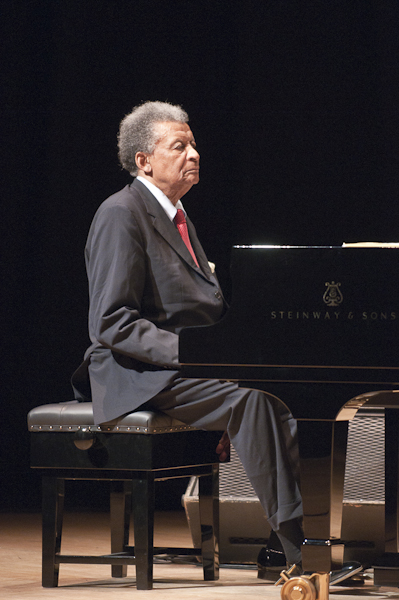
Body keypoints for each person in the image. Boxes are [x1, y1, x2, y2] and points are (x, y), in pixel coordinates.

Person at [71, 100, 308, 576]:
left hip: (179, 368)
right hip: (136, 372)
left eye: (194, 144)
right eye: (178, 146)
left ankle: (283, 544)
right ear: (144, 161)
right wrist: (192, 355)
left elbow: (201, 304)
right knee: (255, 403)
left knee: (275, 396)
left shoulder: (177, 216)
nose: (193, 154)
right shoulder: (121, 213)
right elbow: (111, 321)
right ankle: (298, 551)